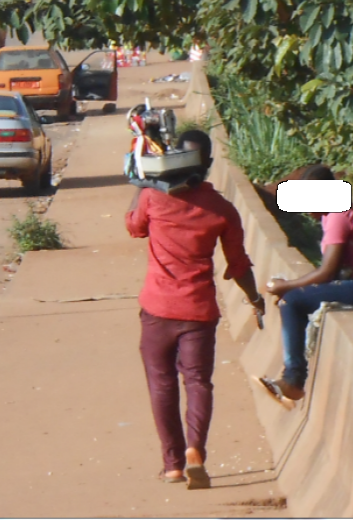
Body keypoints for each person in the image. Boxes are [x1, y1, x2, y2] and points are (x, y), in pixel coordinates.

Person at [125, 130, 266, 489]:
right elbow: (238, 265)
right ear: (207, 164)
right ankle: (195, 451)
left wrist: (140, 182)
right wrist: (255, 300)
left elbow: (133, 228)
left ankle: (172, 464)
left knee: (161, 383)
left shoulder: (152, 199)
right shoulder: (222, 209)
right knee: (198, 381)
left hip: (157, 308)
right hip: (199, 311)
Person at [263, 165, 353, 402]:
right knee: (298, 296)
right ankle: (293, 375)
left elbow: (327, 272)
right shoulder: (331, 216)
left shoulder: (338, 217)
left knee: (292, 301)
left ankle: (293, 379)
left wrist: (287, 286)